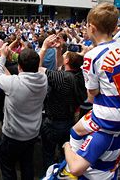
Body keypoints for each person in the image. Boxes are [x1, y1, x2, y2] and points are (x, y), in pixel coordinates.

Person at [61, 3, 120, 179]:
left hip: (110, 117)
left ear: (91, 27)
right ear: (115, 27)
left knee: (74, 131)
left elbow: (91, 95)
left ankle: (71, 170)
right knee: (92, 139)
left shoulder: (92, 55)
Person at [0, 45, 48, 180]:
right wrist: (44, 48)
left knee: (7, 166)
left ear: (19, 67)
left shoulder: (13, 83)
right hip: (32, 134)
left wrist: (3, 56)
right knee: (27, 164)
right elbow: (36, 68)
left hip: (12, 136)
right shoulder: (44, 80)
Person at [39, 35, 87, 172]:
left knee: (48, 153)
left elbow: (36, 69)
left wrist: (44, 48)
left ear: (67, 60)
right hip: (70, 120)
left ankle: (48, 174)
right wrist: (60, 49)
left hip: (53, 123)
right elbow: (61, 65)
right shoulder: (80, 75)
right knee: (65, 153)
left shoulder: (61, 78)